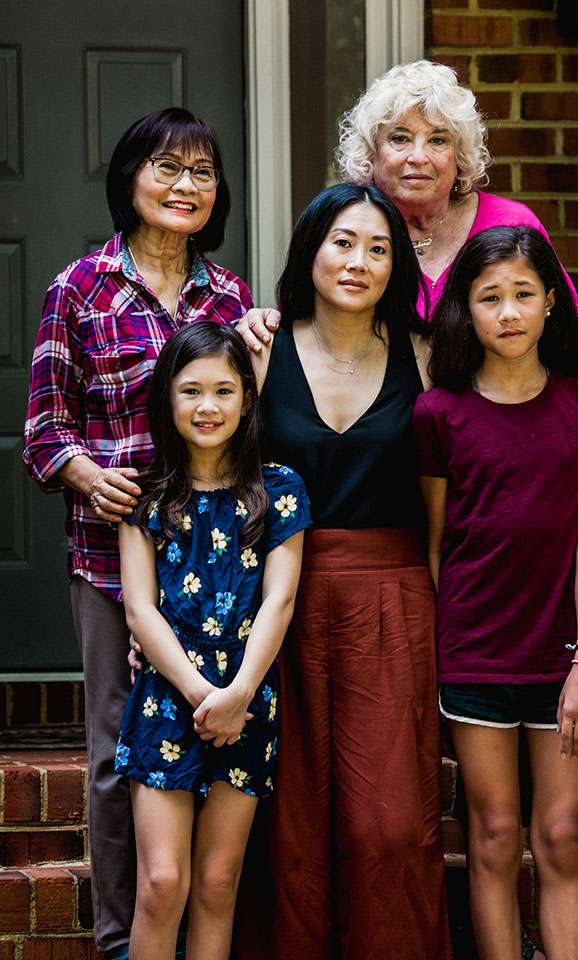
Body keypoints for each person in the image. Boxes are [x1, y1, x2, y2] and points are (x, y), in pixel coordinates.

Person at [23, 108, 252, 960]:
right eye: (167, 167)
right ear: (130, 178)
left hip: (216, 566)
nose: (185, 184)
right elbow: (44, 434)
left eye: (202, 171)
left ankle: (208, 929)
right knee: (124, 756)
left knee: (215, 740)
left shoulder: (230, 299)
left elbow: (254, 419)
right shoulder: (77, 288)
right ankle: (124, 939)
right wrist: (89, 474)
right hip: (110, 564)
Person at [233, 183, 452, 960]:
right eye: (343, 242)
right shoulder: (258, 349)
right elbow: (217, 489)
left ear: (398, 267)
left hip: (394, 604)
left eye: (379, 247)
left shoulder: (426, 357)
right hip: (279, 604)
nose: (358, 262)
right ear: (311, 250)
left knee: (389, 821)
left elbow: (456, 496)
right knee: (288, 820)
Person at [240, 59, 578, 472]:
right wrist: (263, 321)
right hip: (382, 462)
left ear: (460, 156)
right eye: (400, 138)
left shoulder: (509, 225)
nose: (418, 157)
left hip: (492, 459)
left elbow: (564, 335)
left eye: (438, 140)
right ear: (371, 154)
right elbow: (309, 329)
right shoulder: (348, 228)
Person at [412, 225, 578, 960]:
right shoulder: (440, 414)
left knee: (559, 836)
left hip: (564, 652)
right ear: (466, 308)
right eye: (489, 297)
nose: (508, 312)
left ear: (552, 304)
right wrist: (447, 648)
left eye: (524, 294)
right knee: (494, 836)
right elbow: (439, 546)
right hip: (476, 656)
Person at [116, 322, 310, 960]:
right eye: (191, 391)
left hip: (248, 697)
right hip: (168, 698)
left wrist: (238, 694)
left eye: (224, 391)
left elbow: (280, 600)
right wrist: (205, 695)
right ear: (167, 402)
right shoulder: (144, 496)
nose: (207, 407)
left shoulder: (279, 491)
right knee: (163, 882)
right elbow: (141, 612)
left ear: (247, 400)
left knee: (219, 882)